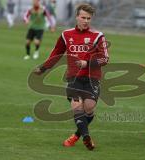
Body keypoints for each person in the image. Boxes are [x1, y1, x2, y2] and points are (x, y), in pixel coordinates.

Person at [34, 3, 109, 150]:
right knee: (76, 106)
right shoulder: (66, 35)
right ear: (76, 17)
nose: (86, 21)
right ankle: (86, 137)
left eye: (88, 18)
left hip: (92, 78)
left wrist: (86, 63)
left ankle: (76, 135)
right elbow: (56, 54)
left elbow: (105, 59)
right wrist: (43, 68)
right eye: (83, 17)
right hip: (74, 78)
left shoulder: (98, 36)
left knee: (89, 108)